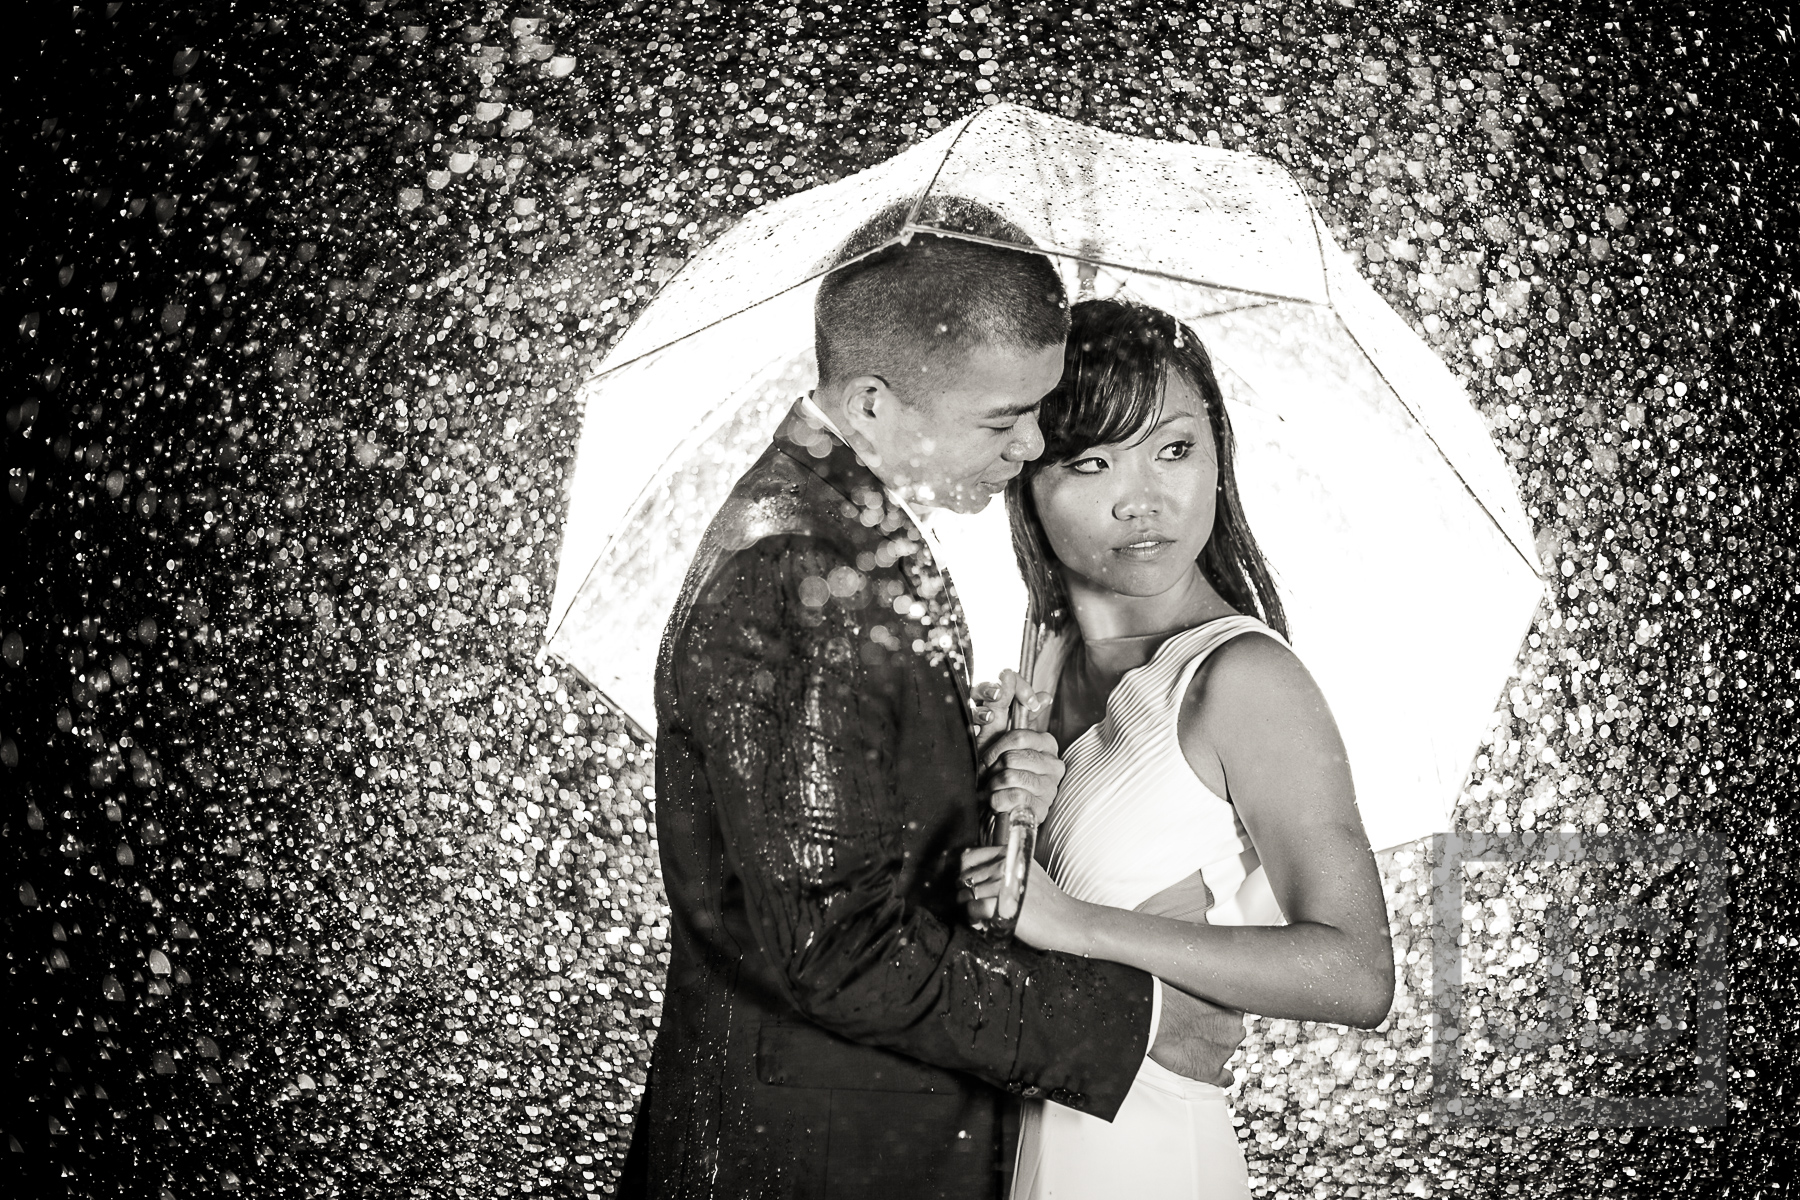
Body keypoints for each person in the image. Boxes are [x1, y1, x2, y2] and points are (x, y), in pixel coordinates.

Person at [619, 203, 1248, 1200]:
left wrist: (979, 772)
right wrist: (1132, 1020)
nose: (1032, 445)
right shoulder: (799, 570)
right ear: (871, 404)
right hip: (823, 1162)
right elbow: (838, 945)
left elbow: (859, 842)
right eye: (1004, 419)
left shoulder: (853, 533)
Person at [959, 298, 1396, 1200]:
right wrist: (989, 797)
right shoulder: (1035, 673)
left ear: (1217, 454)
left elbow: (1358, 975)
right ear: (1025, 479)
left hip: (1143, 1154)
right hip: (1008, 1146)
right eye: (1090, 461)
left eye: (1174, 449)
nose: (1143, 500)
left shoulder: (1240, 680)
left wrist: (1072, 922)